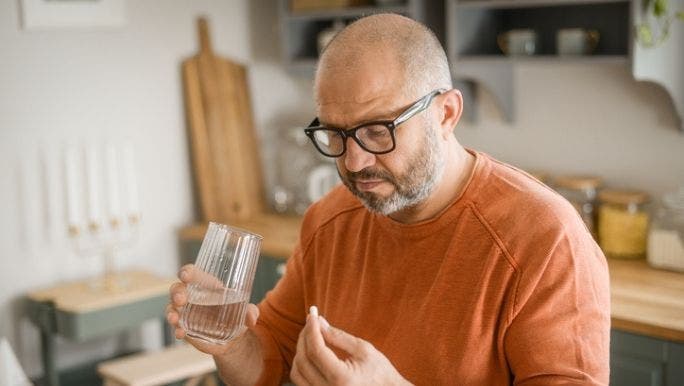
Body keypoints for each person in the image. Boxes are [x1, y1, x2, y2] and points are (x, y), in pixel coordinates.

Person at [166, 13, 610, 386]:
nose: (355, 162)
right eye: (335, 134)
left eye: (378, 131)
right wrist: (232, 344)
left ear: (446, 114)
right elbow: (274, 358)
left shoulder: (546, 238)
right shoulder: (329, 219)